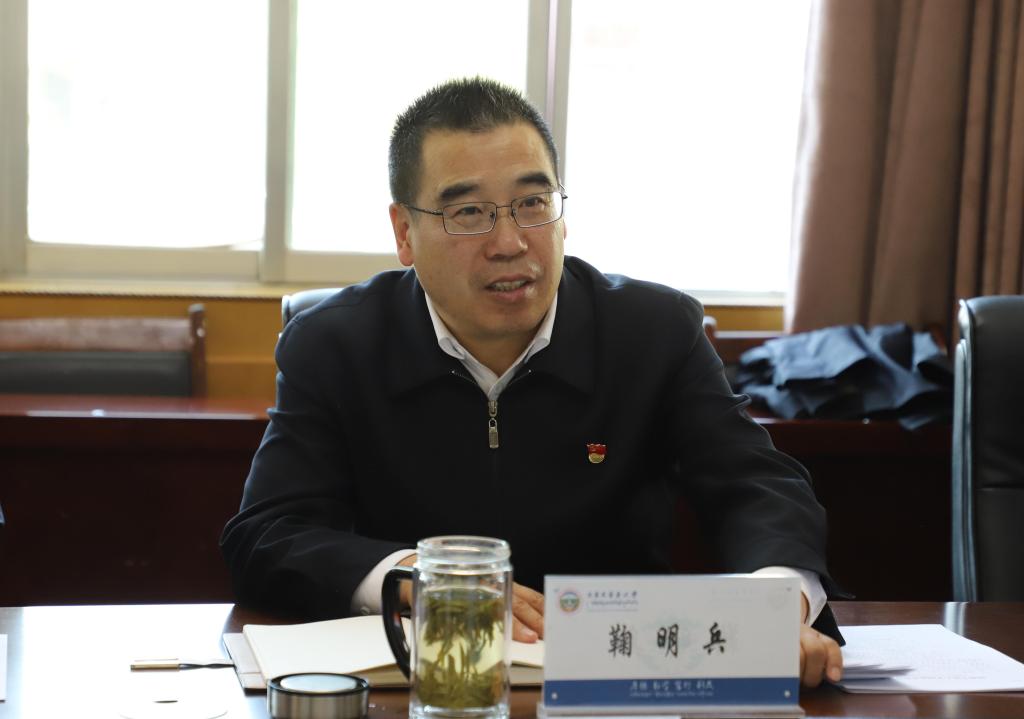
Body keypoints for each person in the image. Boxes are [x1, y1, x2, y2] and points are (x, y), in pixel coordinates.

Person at [221, 77, 844, 687]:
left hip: (619, 684)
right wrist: (413, 577)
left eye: (533, 204)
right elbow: (267, 535)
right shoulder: (335, 344)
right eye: (468, 212)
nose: (510, 243)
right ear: (405, 233)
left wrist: (774, 604)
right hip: (429, 687)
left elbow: (756, 485)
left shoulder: (652, 333)